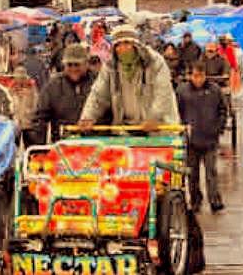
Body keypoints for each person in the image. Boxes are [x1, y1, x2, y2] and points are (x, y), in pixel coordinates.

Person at [79, 25, 179, 130]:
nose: (122, 49)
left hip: (159, 127)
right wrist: (88, 116)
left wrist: (154, 117)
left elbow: (163, 93)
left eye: (126, 43)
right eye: (118, 45)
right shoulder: (111, 66)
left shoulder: (155, 62)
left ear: (136, 45)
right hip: (127, 128)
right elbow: (98, 94)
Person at [176, 61, 227, 213]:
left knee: (211, 172)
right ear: (190, 76)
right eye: (195, 76)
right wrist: (182, 129)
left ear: (205, 75)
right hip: (191, 140)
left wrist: (218, 128)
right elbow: (177, 112)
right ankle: (195, 201)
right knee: (192, 174)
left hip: (210, 139)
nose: (198, 79)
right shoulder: (182, 91)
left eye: (201, 76)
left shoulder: (215, 90)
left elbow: (223, 110)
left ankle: (215, 200)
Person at [33, 45, 97, 144]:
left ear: (86, 64)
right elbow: (40, 117)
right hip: (63, 144)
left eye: (77, 64)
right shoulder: (53, 85)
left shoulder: (98, 82)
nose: (73, 68)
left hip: (96, 142)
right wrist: (39, 149)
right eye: (69, 65)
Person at [8, 65, 39, 138]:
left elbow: (35, 105)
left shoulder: (32, 89)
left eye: (22, 78)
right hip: (15, 124)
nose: (20, 80)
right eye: (17, 78)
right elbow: (9, 106)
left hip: (28, 124)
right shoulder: (10, 89)